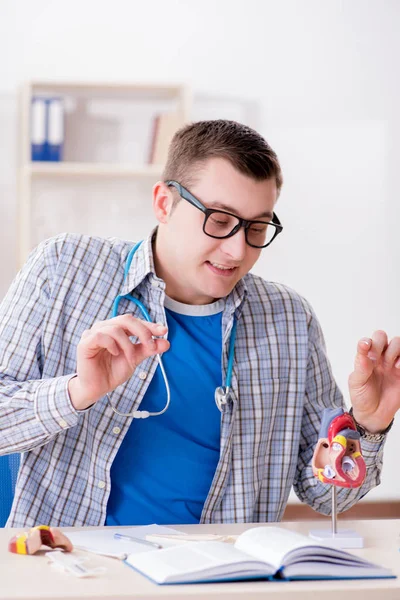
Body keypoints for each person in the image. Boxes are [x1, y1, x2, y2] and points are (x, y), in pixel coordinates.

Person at [0, 120, 398, 528]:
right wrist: (76, 392)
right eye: (220, 220)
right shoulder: (64, 267)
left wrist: (369, 425)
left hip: (216, 576)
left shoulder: (290, 319)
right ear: (163, 204)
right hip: (73, 569)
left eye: (257, 227)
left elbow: (324, 494)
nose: (237, 249)